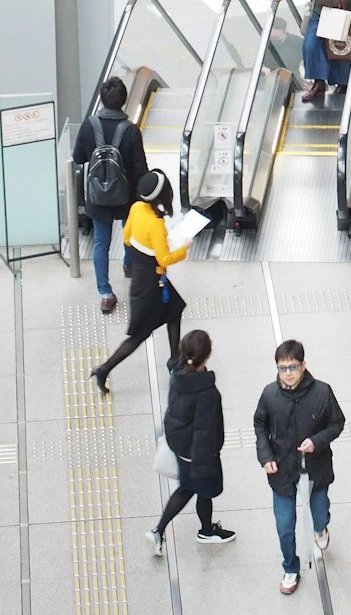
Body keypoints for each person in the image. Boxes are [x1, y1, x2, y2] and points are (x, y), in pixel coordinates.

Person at [254, 339, 345, 596]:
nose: (288, 374)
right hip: (282, 470)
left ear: (303, 365)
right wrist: (265, 455)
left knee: (319, 513)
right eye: (283, 368)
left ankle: (321, 527)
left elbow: (337, 423)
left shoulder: (322, 392)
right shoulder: (269, 395)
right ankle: (290, 567)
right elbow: (260, 425)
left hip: (315, 468)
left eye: (293, 367)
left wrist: (316, 442)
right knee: (284, 525)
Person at [91, 170, 188, 394]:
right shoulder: (156, 223)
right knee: (138, 335)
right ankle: (104, 369)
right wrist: (184, 249)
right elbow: (165, 258)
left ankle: (175, 359)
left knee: (175, 309)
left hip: (143, 275)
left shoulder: (136, 208)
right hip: (151, 283)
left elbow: (126, 237)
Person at [147, 330, 235, 555]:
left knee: (187, 488)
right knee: (201, 489)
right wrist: (207, 462)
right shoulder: (207, 392)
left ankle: (160, 530)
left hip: (180, 445)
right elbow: (206, 432)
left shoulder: (177, 374)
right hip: (198, 454)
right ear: (207, 355)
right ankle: (205, 531)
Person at [72, 77, 148, 315]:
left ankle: (105, 294)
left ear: (102, 99)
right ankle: (128, 265)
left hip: (97, 196)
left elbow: (78, 158)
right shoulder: (131, 131)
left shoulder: (89, 125)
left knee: (101, 243)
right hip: (126, 196)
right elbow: (140, 168)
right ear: (124, 101)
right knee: (129, 234)